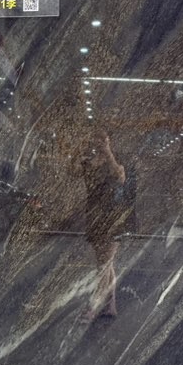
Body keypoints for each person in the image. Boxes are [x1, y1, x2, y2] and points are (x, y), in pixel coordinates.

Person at [80, 129, 126, 321]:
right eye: (96, 141)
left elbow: (120, 177)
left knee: (103, 266)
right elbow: (75, 172)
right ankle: (110, 305)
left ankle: (93, 307)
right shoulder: (87, 162)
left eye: (102, 141)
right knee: (105, 264)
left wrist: (107, 152)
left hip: (112, 218)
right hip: (95, 217)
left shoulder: (115, 161)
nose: (98, 144)